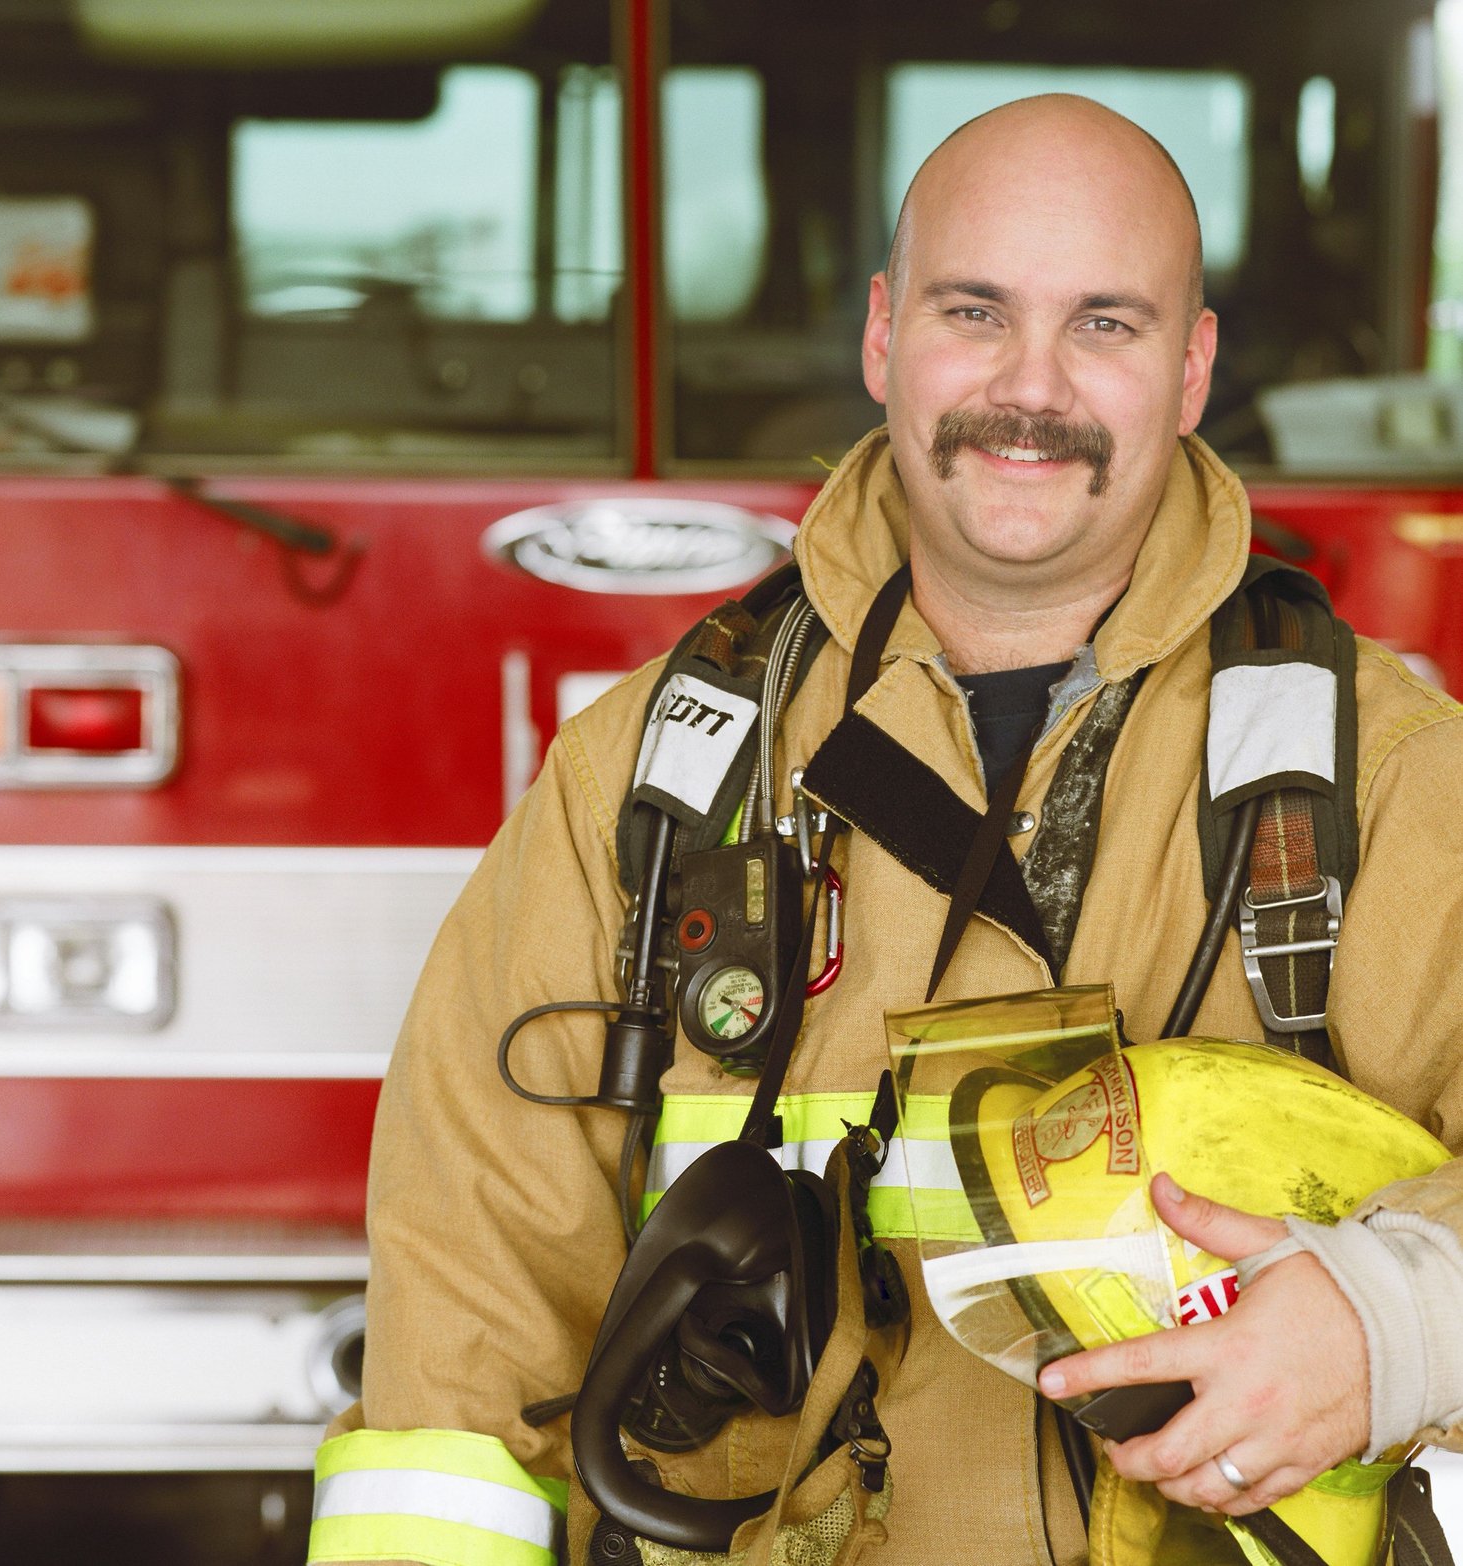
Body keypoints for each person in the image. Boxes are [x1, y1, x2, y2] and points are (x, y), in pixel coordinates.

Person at [306, 95, 1463, 1566]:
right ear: (880, 336)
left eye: (1102, 324)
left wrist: (1395, 1321)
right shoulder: (648, 778)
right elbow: (461, 1335)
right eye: (973, 310)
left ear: (1189, 369)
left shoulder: (1373, 781)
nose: (1026, 387)